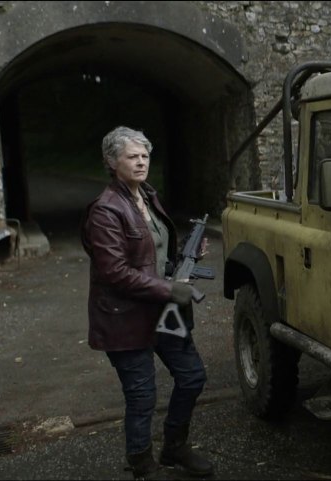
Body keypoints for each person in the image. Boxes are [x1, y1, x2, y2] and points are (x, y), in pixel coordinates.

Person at [81, 126, 214, 478]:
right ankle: (141, 463)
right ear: (112, 162)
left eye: (145, 156)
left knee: (192, 377)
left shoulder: (148, 196)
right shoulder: (106, 211)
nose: (141, 162)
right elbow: (116, 273)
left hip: (161, 311)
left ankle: (174, 447)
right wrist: (171, 289)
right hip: (125, 317)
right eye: (132, 157)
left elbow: (152, 252)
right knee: (142, 397)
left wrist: (186, 253)